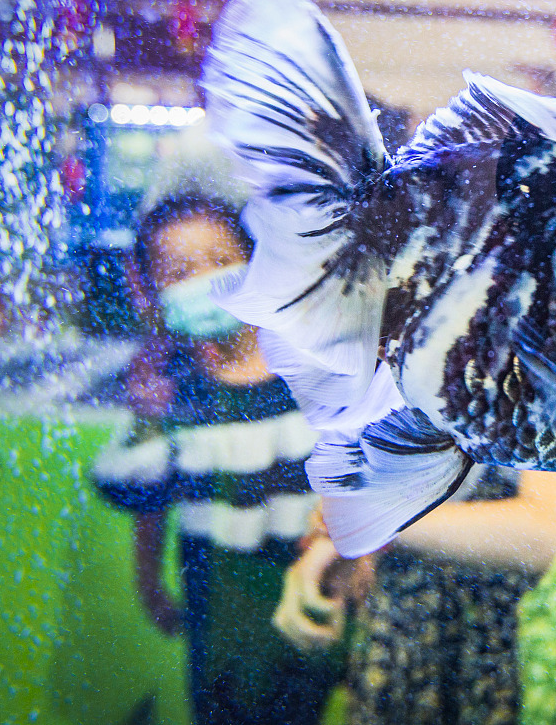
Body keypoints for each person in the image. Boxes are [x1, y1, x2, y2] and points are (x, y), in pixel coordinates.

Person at [93, 191, 342, 724]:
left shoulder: (309, 369)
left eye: (222, 262)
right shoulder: (174, 392)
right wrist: (148, 579)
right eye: (180, 270)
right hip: (218, 602)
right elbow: (145, 492)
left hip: (309, 583)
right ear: (151, 290)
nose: (206, 279)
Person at [276, 447, 556, 724]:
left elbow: (545, 534)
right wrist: (323, 557)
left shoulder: (540, 382)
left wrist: (370, 523)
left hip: (502, 651)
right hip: (398, 647)